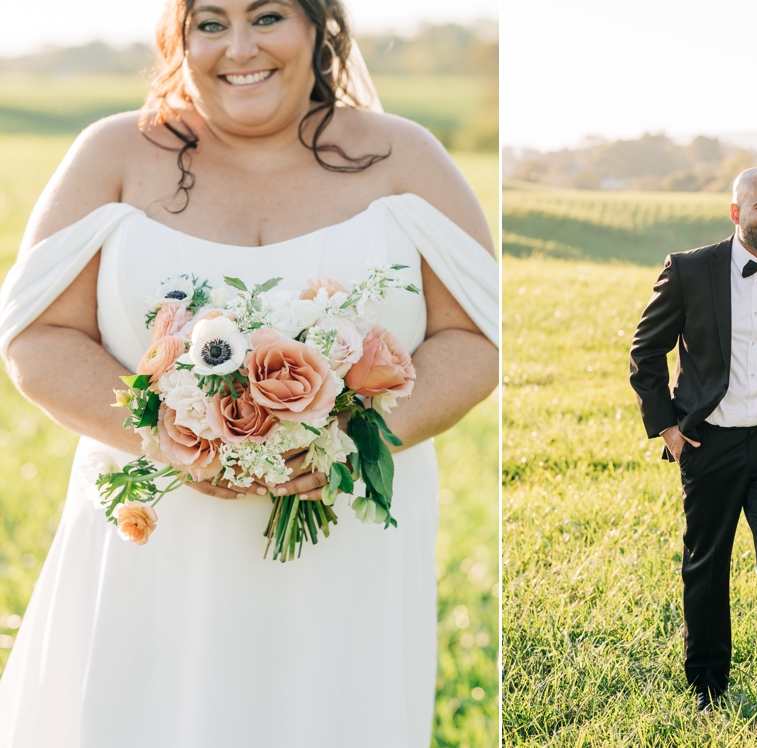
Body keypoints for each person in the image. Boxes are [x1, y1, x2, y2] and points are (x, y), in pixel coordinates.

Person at [0, 1, 498, 746]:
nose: (240, 47)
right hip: (159, 530)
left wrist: (345, 442)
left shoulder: (408, 158)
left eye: (266, 15)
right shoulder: (113, 155)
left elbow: (474, 337)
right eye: (210, 22)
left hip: (346, 534)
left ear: (317, 26)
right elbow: (39, 337)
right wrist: (167, 439)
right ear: (179, 38)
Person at [628, 167, 757, 740]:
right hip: (709, 442)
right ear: (736, 212)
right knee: (706, 563)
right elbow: (645, 352)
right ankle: (707, 687)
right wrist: (667, 428)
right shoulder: (689, 269)